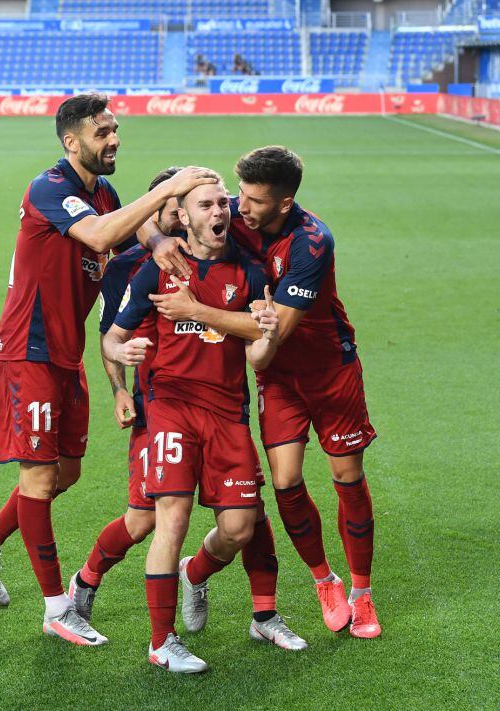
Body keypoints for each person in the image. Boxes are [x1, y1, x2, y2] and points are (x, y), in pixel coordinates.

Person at [0, 93, 215, 647]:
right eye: (102, 132)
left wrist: (162, 238)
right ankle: (55, 606)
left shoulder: (103, 191)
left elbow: (132, 229)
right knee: (40, 479)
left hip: (65, 354)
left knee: (65, 473)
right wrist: (167, 190)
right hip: (28, 350)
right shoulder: (50, 187)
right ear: (71, 141)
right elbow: (99, 236)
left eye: (115, 129)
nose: (114, 138)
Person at [149, 146, 382, 639]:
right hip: (277, 378)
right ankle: (325, 580)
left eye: (252, 201)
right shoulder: (233, 215)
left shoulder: (312, 243)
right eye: (239, 196)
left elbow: (276, 331)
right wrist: (153, 240)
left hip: (329, 369)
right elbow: (152, 212)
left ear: (283, 203)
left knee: (347, 475)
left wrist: (195, 310)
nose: (238, 209)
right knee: (285, 482)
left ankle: (362, 593)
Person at [106, 172, 306, 674]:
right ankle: (160, 641)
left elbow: (258, 356)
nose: (219, 213)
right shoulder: (157, 271)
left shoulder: (250, 272)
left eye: (223, 204)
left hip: (226, 411)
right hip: (171, 407)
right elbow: (111, 337)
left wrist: (265, 336)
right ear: (185, 217)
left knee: (240, 526)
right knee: (169, 519)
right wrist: (122, 352)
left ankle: (196, 573)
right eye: (206, 206)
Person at [65, 166, 182, 622]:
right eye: (173, 203)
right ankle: (88, 577)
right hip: (156, 406)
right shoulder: (125, 268)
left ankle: (257, 608)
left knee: (244, 514)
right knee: (143, 520)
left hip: (219, 405)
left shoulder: (217, 251)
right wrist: (118, 391)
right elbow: (108, 335)